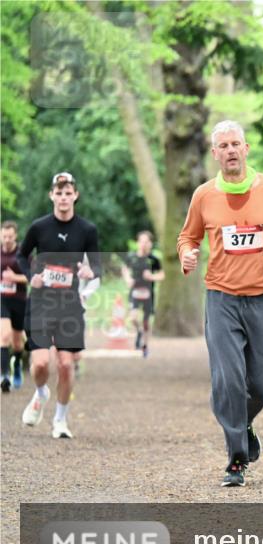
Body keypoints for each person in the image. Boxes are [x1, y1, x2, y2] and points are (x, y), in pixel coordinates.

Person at [178, 120, 263, 487]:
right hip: (222, 298)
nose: (230, 150)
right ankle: (236, 458)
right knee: (228, 380)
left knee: (261, 382)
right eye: (223, 146)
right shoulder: (204, 195)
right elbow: (188, 236)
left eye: (236, 144)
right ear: (214, 154)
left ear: (246, 149)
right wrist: (187, 253)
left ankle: (243, 423)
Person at [17, 172, 101, 439]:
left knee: (66, 364)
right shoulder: (39, 227)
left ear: (75, 195)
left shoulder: (87, 230)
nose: (63, 198)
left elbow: (97, 264)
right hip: (41, 303)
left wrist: (90, 273)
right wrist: (33, 277)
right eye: (59, 192)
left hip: (69, 304)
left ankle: (60, 420)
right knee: (41, 364)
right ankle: (41, 392)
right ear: (51, 195)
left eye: (68, 193)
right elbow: (21, 256)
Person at [121, 230, 164, 357]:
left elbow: (161, 275)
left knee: (146, 321)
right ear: (137, 243)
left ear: (151, 243)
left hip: (148, 294)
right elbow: (124, 269)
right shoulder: (132, 256)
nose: (144, 244)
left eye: (146, 242)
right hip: (134, 291)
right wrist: (128, 279)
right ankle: (139, 332)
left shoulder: (154, 259)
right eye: (141, 241)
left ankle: (145, 346)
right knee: (133, 317)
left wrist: (151, 277)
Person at [1, 221, 28, 392]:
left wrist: (14, 277)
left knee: (17, 343)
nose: (7, 239)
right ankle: (4, 376)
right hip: (2, 299)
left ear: (15, 236)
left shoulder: (22, 253)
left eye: (10, 236)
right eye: (4, 236)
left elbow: (32, 276)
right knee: (4, 336)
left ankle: (17, 364)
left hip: (19, 300)